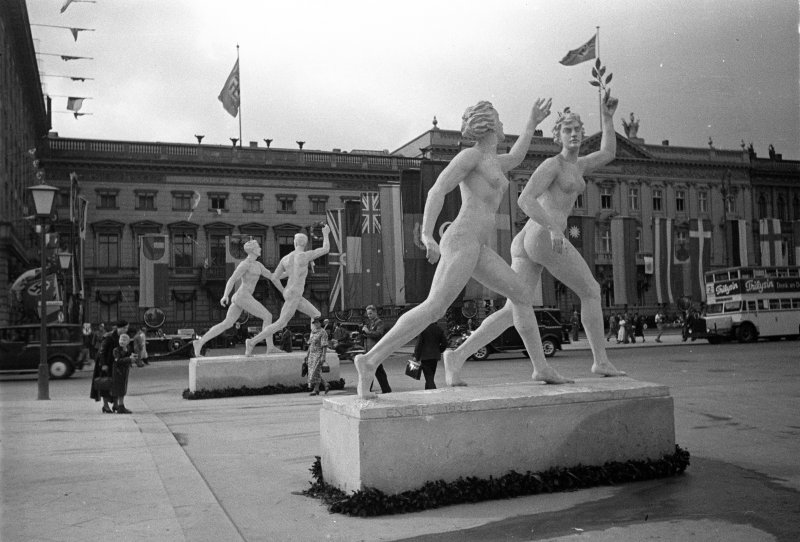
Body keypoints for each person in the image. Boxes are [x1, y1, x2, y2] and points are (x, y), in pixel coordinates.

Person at [354, 97, 567, 397]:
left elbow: (518, 156)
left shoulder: (496, 161)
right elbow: (438, 189)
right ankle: (369, 360)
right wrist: (428, 235)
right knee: (433, 308)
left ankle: (531, 366)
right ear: (489, 125)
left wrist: (532, 121)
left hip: (477, 245)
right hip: (462, 239)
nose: (505, 125)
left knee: (521, 294)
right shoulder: (471, 157)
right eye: (501, 120)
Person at [444, 91, 625, 384]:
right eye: (567, 130)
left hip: (529, 241)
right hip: (542, 236)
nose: (574, 134)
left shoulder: (580, 165)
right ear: (559, 137)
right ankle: (601, 360)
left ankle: (458, 355)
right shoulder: (552, 165)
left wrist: (607, 118)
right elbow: (525, 200)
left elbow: (608, 153)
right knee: (591, 290)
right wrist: (554, 227)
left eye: (578, 129)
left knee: (512, 308)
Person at [245, 226, 331, 356]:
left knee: (316, 314)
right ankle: (252, 341)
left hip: (291, 293)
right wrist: (325, 234)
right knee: (281, 323)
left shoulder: (285, 258)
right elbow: (326, 249)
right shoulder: (304, 256)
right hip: (295, 294)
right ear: (305, 243)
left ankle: (316, 345)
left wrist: (283, 290)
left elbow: (274, 277)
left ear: (294, 243)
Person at [193, 239, 275, 356]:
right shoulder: (244, 264)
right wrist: (225, 295)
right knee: (268, 316)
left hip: (242, 297)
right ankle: (268, 347)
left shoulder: (259, 265)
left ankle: (199, 342)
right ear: (252, 250)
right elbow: (232, 279)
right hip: (243, 296)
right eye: (258, 247)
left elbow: (272, 276)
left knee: (226, 323)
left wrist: (290, 273)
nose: (260, 249)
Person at [90, 319, 127, 413]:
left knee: (114, 384)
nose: (127, 330)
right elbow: (102, 351)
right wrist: (103, 364)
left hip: (114, 364)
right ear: (121, 328)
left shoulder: (121, 337)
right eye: (126, 328)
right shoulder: (109, 336)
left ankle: (115, 405)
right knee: (106, 384)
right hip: (106, 363)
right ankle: (105, 406)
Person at [362, 305, 392, 394]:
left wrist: (368, 332)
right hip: (371, 351)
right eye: (368, 314)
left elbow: (379, 334)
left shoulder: (379, 322)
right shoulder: (371, 323)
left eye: (371, 313)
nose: (369, 315)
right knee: (377, 371)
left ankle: (368, 390)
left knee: (372, 370)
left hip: (375, 351)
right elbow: (370, 335)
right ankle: (385, 389)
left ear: (375, 312)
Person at [412, 321, 448, 390]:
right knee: (430, 376)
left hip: (425, 357)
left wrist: (416, 356)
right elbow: (445, 343)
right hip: (435, 357)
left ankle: (433, 390)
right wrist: (439, 350)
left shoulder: (423, 329)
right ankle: (428, 390)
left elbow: (419, 344)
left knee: (428, 376)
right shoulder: (439, 329)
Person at [110, 333, 138, 413]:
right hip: (118, 372)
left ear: (128, 342)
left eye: (124, 340)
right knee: (119, 389)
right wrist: (129, 359)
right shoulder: (116, 350)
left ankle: (117, 405)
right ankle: (120, 407)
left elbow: (128, 357)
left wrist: (133, 357)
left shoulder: (128, 349)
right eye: (121, 339)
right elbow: (118, 360)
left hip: (124, 371)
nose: (122, 341)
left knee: (122, 388)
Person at [306, 317, 330, 396]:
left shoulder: (323, 332)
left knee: (315, 371)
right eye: (314, 323)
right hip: (311, 354)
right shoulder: (313, 332)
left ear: (321, 323)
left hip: (318, 354)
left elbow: (324, 345)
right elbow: (310, 344)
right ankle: (323, 385)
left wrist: (323, 356)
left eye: (317, 322)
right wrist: (307, 355)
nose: (316, 324)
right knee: (313, 372)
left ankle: (316, 389)